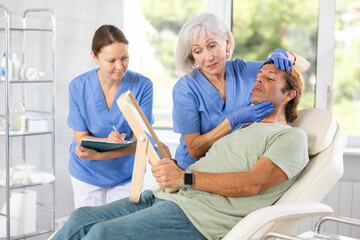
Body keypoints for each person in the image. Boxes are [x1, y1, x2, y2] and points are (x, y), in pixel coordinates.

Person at [53, 58, 309, 240]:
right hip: (169, 196)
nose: (258, 81)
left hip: (198, 217)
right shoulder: (243, 127)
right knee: (81, 218)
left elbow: (253, 184)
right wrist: (174, 169)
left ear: (289, 95)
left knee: (102, 235)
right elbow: (209, 166)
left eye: (270, 78)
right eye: (258, 77)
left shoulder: (290, 138)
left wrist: (185, 177)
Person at [173, 12, 302, 169]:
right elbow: (194, 149)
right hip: (190, 171)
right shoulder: (186, 88)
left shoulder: (244, 71)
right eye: (198, 51)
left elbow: (298, 71)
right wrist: (233, 120)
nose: (208, 57)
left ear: (226, 41)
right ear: (192, 55)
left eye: (212, 46)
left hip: (231, 167)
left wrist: (286, 56)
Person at [67, 24, 154, 208]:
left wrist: (102, 153)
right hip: (87, 172)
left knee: (122, 231)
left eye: (124, 58)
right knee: (89, 230)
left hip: (126, 174)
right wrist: (107, 142)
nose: (120, 66)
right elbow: (81, 138)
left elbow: (141, 141)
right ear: (94, 57)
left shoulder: (143, 87)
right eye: (111, 61)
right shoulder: (78, 87)